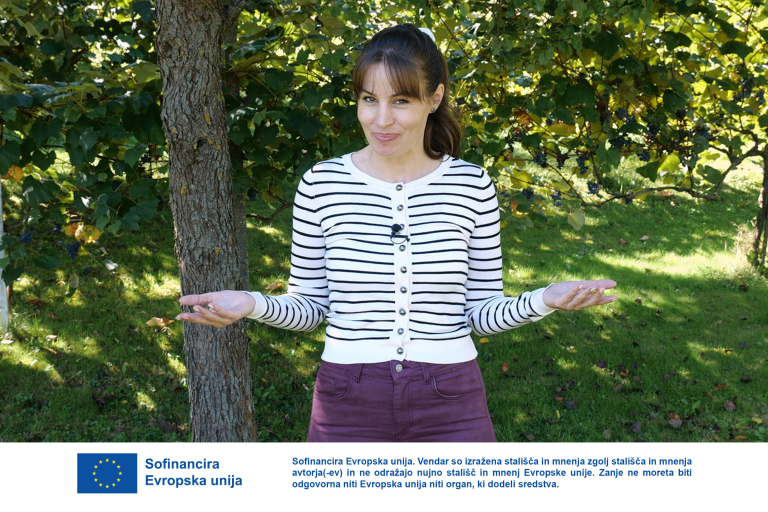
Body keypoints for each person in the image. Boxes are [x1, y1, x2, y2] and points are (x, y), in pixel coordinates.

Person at [176, 24, 617, 442]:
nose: (381, 119)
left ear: (434, 98)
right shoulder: (321, 184)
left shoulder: (471, 185)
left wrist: (545, 299)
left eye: (401, 101)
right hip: (345, 400)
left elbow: (480, 312)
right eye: (369, 99)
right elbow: (310, 308)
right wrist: (251, 303)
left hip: (453, 399)